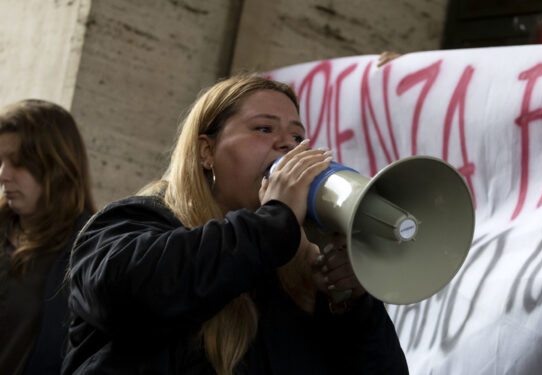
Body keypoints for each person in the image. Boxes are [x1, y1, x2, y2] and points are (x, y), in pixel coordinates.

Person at [64, 74, 409, 374]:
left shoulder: (297, 271)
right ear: (206, 151)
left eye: (296, 137)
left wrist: (350, 307)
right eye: (264, 128)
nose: (287, 146)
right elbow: (129, 297)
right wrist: (275, 222)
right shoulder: (132, 222)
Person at [0, 99, 95, 375]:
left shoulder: (89, 252)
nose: (4, 175)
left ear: (56, 164)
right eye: (0, 161)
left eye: (17, 162)